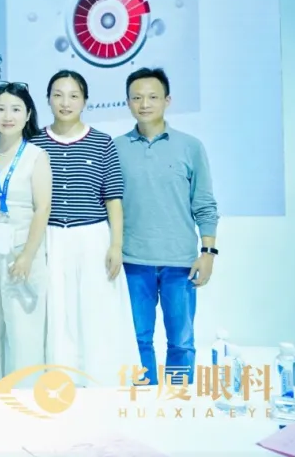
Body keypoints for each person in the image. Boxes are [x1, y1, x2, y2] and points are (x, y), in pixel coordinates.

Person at [29, 70, 138, 385]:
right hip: (49, 237)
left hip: (92, 237)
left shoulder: (102, 143)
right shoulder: (34, 142)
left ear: (85, 101)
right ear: (48, 99)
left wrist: (116, 245)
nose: (65, 102)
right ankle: (60, 380)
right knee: (56, 310)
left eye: (73, 95)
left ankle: (100, 379)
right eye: (58, 95)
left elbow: (113, 198)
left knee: (95, 308)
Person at [115, 67, 219, 386]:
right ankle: (144, 403)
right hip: (132, 261)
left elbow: (204, 204)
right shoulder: (115, 148)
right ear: (128, 102)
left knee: (181, 342)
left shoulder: (190, 147)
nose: (144, 104)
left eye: (153, 97)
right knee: (137, 340)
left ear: (167, 100)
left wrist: (208, 252)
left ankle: (178, 402)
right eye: (137, 98)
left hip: (180, 262)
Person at [0, 81, 50, 389]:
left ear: (28, 114)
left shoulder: (36, 155)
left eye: (16, 109)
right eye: (0, 108)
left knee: (24, 331)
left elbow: (42, 209)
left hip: (22, 251)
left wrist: (28, 256)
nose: (8, 116)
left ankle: (25, 400)